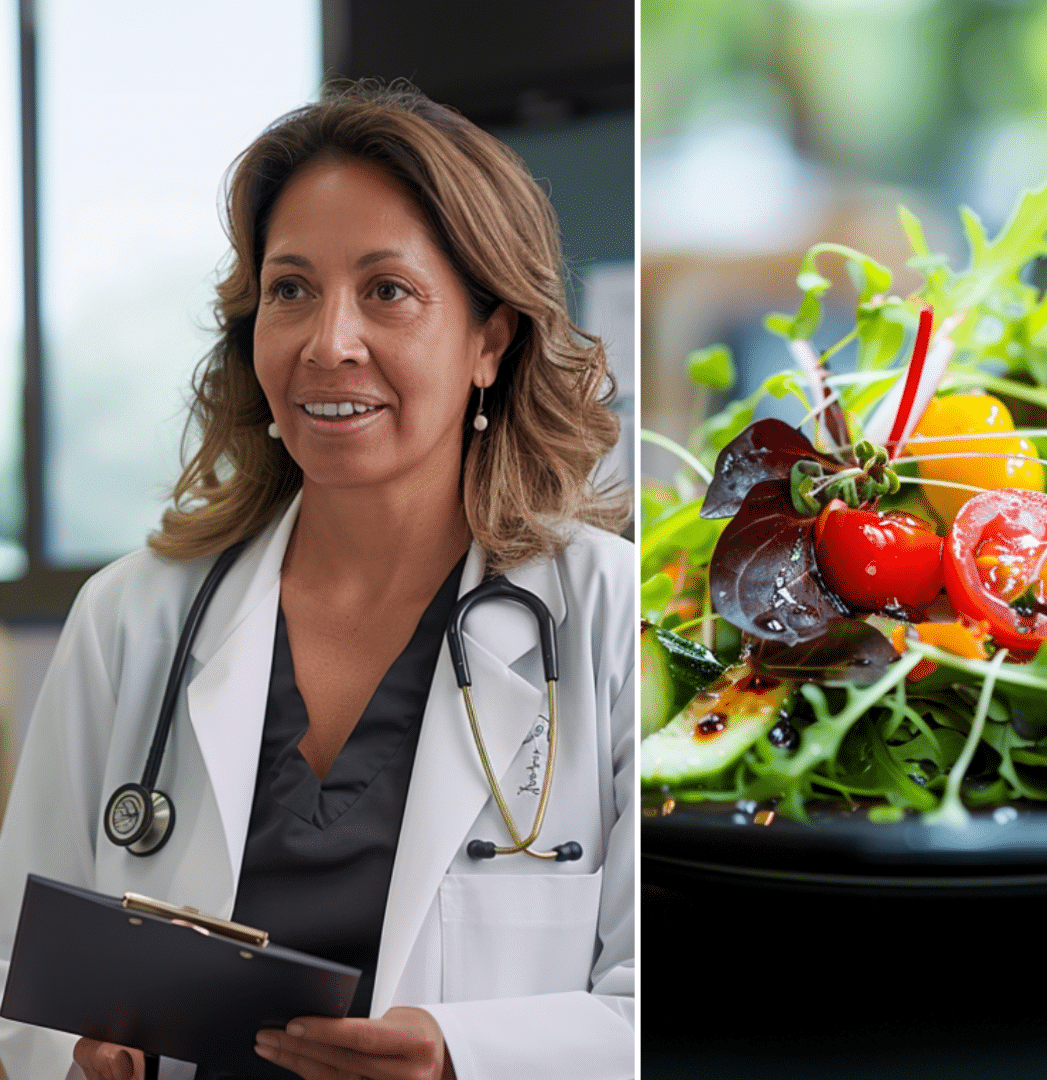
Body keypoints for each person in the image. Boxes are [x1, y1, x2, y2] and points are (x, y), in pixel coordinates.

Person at [0, 82, 634, 1080]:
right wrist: (70, 1059)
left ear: (490, 341)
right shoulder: (132, 616)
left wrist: (462, 1056)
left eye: (388, 291)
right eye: (290, 290)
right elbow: (16, 975)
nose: (327, 342)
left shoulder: (606, 613)